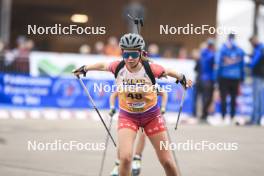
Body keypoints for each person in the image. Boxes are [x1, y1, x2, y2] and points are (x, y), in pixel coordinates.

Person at [73, 33, 192, 176]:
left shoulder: (150, 68)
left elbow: (169, 71)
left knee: (167, 161)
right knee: (125, 158)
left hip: (152, 117)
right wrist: (84, 68)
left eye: (134, 54)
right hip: (128, 116)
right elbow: (102, 65)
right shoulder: (118, 67)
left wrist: (183, 79)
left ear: (141, 53)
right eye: (126, 53)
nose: (129, 58)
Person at [109, 88, 168, 176]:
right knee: (124, 140)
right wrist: (112, 107)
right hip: (130, 115)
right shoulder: (128, 82)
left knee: (143, 133)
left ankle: (137, 158)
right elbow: (114, 95)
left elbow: (164, 93)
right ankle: (118, 163)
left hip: (146, 115)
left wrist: (163, 107)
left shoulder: (148, 83)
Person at [216, 33, 245, 125]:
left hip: (224, 76)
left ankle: (223, 117)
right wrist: (242, 77)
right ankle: (232, 116)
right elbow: (242, 65)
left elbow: (218, 63)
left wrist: (217, 77)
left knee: (223, 97)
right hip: (235, 77)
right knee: (233, 98)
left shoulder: (223, 48)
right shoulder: (239, 50)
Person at [199, 39, 215, 121]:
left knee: (210, 97)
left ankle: (205, 113)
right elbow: (210, 58)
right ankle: (204, 114)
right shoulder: (206, 53)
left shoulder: (209, 52)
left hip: (210, 78)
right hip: (206, 78)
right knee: (206, 97)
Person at [249, 36, 264, 126]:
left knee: (257, 98)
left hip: (258, 76)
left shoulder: (259, 49)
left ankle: (256, 118)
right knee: (261, 97)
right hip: (261, 76)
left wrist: (249, 62)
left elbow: (253, 63)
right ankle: (259, 118)